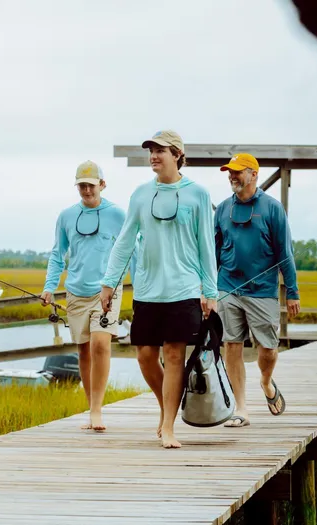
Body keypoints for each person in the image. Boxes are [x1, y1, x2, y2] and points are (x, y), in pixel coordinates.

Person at [100, 130, 218, 449]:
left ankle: (168, 426)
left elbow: (206, 245)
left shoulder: (198, 194)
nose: (153, 156)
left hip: (183, 289)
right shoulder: (140, 195)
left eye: (160, 150)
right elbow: (124, 241)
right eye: (150, 151)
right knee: (145, 356)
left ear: (178, 154)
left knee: (175, 354)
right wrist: (110, 282)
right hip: (148, 290)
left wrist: (211, 291)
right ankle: (167, 404)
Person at [41, 160, 131, 432]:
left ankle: (97, 410)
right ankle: (90, 405)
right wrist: (49, 285)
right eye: (82, 185)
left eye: (91, 185)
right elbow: (58, 254)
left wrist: (135, 284)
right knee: (83, 350)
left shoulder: (117, 215)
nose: (86, 190)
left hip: (107, 291)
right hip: (76, 292)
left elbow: (130, 250)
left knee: (101, 345)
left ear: (102, 185)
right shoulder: (67, 216)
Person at [213, 153, 300, 428]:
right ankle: (240, 408)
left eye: (238, 171)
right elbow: (213, 252)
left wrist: (293, 291)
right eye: (230, 171)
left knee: (268, 349)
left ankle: (265, 381)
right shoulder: (222, 209)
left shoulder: (272, 208)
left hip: (262, 290)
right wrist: (207, 289)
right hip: (227, 288)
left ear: (254, 175)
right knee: (232, 345)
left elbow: (285, 253)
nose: (232, 176)